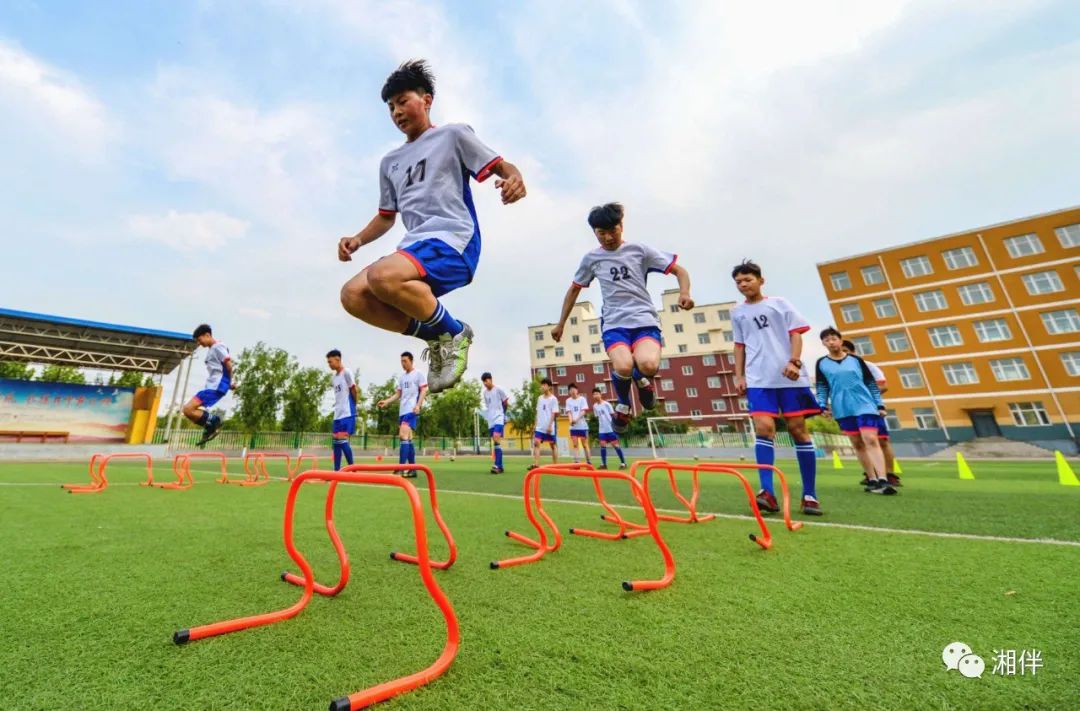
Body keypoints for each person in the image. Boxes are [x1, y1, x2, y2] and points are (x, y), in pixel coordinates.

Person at [338, 60, 527, 393]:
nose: (397, 112)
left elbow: (502, 165)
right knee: (353, 295)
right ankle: (440, 334)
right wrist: (357, 239)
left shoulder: (452, 135)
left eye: (402, 101)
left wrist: (515, 179)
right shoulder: (390, 162)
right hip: (415, 247)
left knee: (382, 276)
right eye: (391, 107)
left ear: (427, 100)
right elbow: (386, 216)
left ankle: (452, 333)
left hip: (454, 240)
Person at [552, 202, 693, 434]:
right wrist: (561, 324)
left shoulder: (639, 250)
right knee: (623, 365)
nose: (608, 238)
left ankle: (641, 378)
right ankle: (624, 404)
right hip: (614, 324)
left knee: (648, 365)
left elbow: (680, 271)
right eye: (601, 233)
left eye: (613, 231)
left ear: (621, 226)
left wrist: (684, 292)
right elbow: (574, 289)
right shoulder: (592, 259)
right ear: (595, 232)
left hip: (644, 321)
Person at [731, 260, 823, 516]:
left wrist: (794, 361)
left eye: (748, 279)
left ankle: (809, 495)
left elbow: (796, 333)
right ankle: (767, 492)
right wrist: (739, 376)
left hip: (789, 377)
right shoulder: (737, 312)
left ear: (761, 280)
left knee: (798, 430)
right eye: (738, 282)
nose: (743, 285)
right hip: (759, 379)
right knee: (764, 428)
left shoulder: (779, 304)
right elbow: (739, 345)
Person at [817, 329, 897, 494]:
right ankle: (872, 479)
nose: (831, 342)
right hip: (842, 408)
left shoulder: (857, 361)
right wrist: (822, 405)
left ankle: (883, 479)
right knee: (857, 443)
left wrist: (879, 405)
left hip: (865, 404)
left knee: (870, 439)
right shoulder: (821, 363)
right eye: (827, 340)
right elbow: (822, 386)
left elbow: (871, 383)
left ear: (840, 341)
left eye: (834, 338)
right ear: (823, 344)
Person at [842, 339, 902, 488]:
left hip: (870, 408)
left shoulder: (868, 366)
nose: (843, 355)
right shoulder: (837, 370)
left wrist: (863, 397)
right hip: (849, 411)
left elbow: (883, 385)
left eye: (846, 351)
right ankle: (871, 475)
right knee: (858, 442)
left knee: (880, 441)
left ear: (853, 352)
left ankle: (890, 475)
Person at [182, 324, 236, 447]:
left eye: (199, 340)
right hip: (213, 386)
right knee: (188, 411)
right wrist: (229, 384)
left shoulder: (218, 346)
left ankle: (214, 421)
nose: (199, 343)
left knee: (187, 409)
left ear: (207, 335)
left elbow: (228, 366)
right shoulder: (212, 349)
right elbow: (220, 370)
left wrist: (229, 382)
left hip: (216, 387)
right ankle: (210, 426)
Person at [377, 352, 427, 477]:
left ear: (411, 361)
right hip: (402, 411)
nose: (403, 363)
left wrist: (418, 405)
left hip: (411, 410)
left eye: (405, 361)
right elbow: (398, 394)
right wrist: (387, 401)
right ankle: (412, 469)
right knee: (408, 439)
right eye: (401, 361)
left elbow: (424, 390)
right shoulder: (402, 377)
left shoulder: (418, 374)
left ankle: (400, 468)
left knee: (403, 436)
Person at [326, 350, 358, 471]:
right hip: (337, 413)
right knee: (335, 440)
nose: (329, 364)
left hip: (347, 412)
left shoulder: (347, 372)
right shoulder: (334, 378)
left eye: (330, 362)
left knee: (342, 438)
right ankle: (336, 471)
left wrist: (355, 406)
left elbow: (354, 390)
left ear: (338, 359)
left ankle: (352, 468)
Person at [481, 372, 509, 474]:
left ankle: (497, 465)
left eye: (486, 381)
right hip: (491, 419)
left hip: (499, 417)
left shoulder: (498, 389)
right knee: (496, 442)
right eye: (483, 382)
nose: (485, 383)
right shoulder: (485, 393)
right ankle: (500, 466)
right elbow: (489, 406)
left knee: (496, 437)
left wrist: (503, 415)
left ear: (491, 379)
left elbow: (505, 402)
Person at [591, 387, 626, 469]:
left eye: (597, 394)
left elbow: (613, 415)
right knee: (602, 445)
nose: (595, 395)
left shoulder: (607, 404)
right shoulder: (594, 406)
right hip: (602, 430)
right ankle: (604, 464)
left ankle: (623, 463)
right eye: (594, 394)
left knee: (616, 446)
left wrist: (618, 424)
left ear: (600, 394)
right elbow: (598, 417)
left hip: (610, 428)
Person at [530, 378, 559, 469]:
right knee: (536, 443)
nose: (542, 386)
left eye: (544, 385)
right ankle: (536, 464)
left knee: (552, 445)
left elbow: (554, 413)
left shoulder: (553, 399)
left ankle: (555, 465)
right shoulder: (540, 398)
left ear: (549, 387)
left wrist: (550, 426)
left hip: (549, 427)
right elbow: (538, 412)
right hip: (540, 427)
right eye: (542, 385)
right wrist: (535, 424)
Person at [564, 383, 592, 465]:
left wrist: (576, 419)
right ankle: (577, 462)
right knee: (575, 445)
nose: (572, 391)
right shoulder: (568, 401)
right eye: (570, 390)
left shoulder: (582, 399)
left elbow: (583, 411)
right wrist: (571, 421)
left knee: (584, 445)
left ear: (577, 390)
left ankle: (589, 462)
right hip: (573, 428)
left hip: (582, 426)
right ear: (569, 392)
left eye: (574, 389)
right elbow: (569, 412)